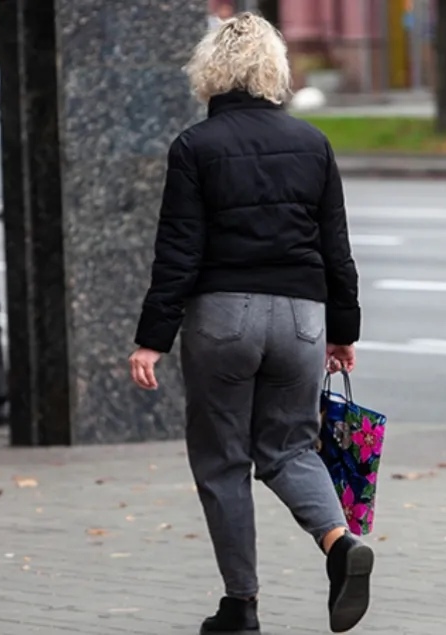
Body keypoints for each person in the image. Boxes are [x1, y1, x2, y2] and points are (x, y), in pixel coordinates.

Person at [128, 12, 372, 635]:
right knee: (290, 446)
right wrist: (344, 332)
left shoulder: (195, 147)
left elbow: (178, 250)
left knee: (223, 460)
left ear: (211, 70)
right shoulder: (313, 143)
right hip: (302, 321)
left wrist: (152, 339)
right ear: (275, 70)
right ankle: (339, 544)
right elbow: (336, 248)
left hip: (223, 318)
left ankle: (241, 605)